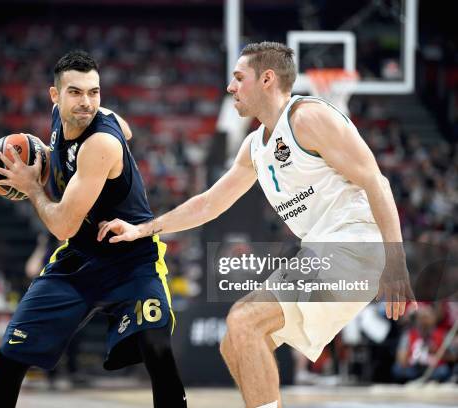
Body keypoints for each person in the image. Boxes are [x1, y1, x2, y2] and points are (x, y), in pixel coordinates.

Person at [97, 42, 415, 408]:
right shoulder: (254, 146)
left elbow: (377, 181)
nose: (230, 87)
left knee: (245, 320)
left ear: (267, 78)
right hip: (322, 250)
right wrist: (143, 229)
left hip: (355, 243)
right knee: (235, 341)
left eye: (238, 78)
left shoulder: (307, 117)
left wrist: (395, 260)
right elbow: (209, 204)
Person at [0, 50, 187, 408]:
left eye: (94, 92)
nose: (87, 103)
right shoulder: (64, 121)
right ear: (55, 96)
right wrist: (47, 157)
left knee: (157, 349)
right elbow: (127, 127)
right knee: (11, 352)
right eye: (76, 92)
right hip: (80, 258)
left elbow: (61, 223)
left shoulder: (100, 143)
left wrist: (32, 186)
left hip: (132, 260)